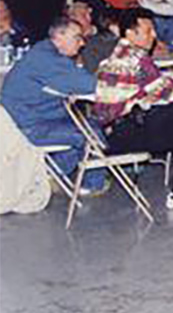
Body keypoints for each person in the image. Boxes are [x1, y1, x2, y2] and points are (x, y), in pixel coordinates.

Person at [94, 9, 173, 209]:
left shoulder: (114, 57)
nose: (154, 35)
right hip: (125, 136)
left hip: (108, 133)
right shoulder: (136, 59)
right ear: (130, 33)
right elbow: (171, 92)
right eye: (148, 31)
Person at [0, 17, 108, 194]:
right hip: (27, 126)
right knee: (91, 134)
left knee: (89, 127)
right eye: (77, 37)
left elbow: (69, 83)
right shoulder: (47, 58)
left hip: (32, 119)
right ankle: (92, 185)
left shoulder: (44, 52)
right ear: (59, 36)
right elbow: (89, 84)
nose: (81, 43)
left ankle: (46, 176)